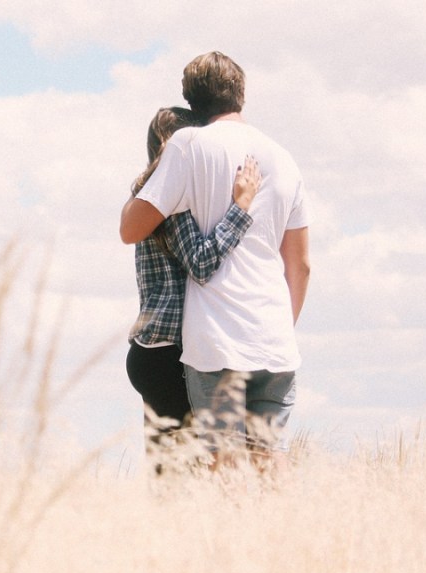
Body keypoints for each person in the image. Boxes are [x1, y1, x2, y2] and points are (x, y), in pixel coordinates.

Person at [120, 52, 311, 467]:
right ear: (241, 92)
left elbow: (132, 230)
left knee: (213, 470)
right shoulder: (284, 157)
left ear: (191, 100)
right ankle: (284, 532)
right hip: (274, 337)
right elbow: (301, 266)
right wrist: (280, 325)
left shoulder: (188, 147)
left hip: (216, 341)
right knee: (270, 461)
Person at [125, 106, 261, 456]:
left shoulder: (147, 196)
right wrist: (240, 209)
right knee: (188, 476)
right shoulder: (173, 200)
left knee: (168, 475)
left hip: (150, 350)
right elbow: (201, 263)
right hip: (170, 354)